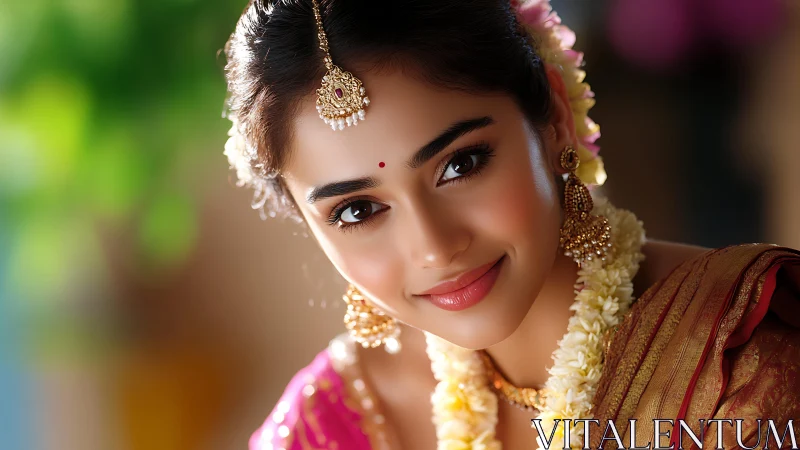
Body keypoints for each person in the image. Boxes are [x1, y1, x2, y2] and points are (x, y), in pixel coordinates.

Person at [220, 0, 800, 448]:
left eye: (461, 164)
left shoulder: (741, 358)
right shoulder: (331, 423)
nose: (436, 246)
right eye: (357, 210)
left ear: (552, 119)